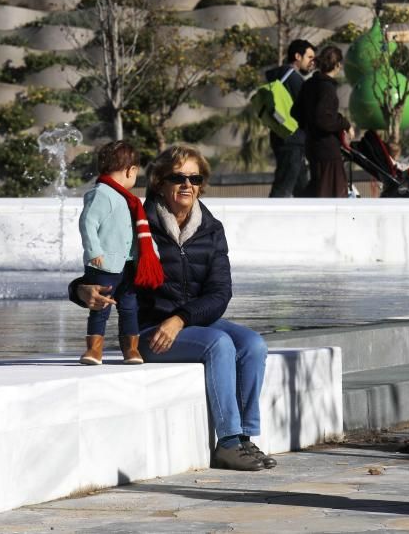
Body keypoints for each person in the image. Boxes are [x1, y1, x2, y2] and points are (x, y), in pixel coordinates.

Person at [69, 145, 273, 472]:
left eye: (195, 178)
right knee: (219, 344)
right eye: (177, 177)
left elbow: (220, 292)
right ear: (159, 183)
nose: (187, 184)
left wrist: (181, 319)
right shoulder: (137, 220)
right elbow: (104, 270)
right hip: (149, 329)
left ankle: (246, 438)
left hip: (188, 324)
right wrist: (80, 291)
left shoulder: (211, 228)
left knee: (253, 345)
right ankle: (229, 443)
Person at [77, 140, 149, 366]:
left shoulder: (126, 199)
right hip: (104, 264)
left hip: (126, 264)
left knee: (129, 308)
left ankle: (131, 350)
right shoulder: (102, 193)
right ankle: (94, 350)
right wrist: (94, 250)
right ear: (131, 170)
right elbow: (87, 222)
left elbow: (134, 233)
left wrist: (150, 253)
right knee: (101, 307)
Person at [292, 45, 353, 198]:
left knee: (317, 188)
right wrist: (345, 123)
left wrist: (308, 126)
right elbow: (324, 119)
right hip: (328, 150)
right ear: (338, 65)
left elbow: (295, 112)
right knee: (333, 193)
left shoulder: (309, 85)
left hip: (312, 146)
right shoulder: (327, 88)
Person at [265, 40, 316, 198]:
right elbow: (307, 109)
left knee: (302, 188)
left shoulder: (277, 76)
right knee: (283, 187)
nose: (312, 62)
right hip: (292, 139)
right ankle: (269, 220)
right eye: (310, 57)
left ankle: (308, 220)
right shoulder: (294, 80)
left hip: (280, 134)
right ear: (297, 56)